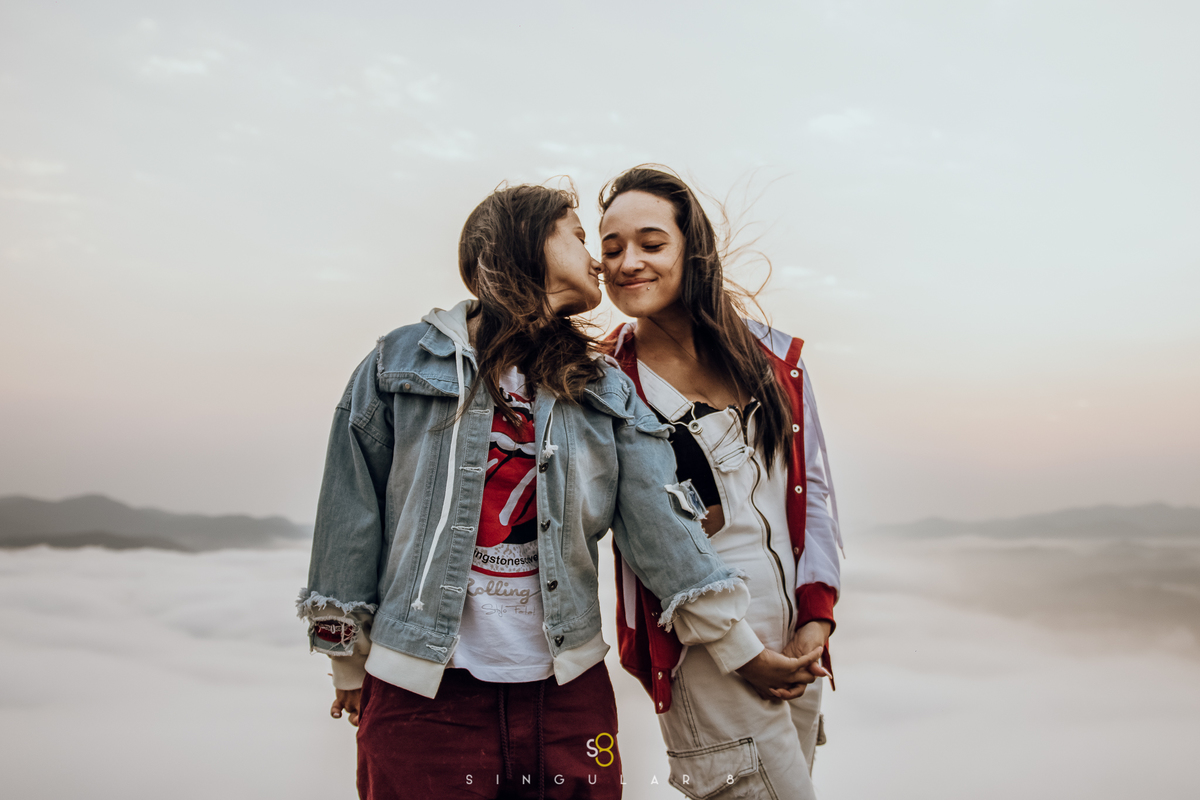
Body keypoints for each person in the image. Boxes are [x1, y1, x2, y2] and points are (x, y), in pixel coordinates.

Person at [297, 182, 820, 800]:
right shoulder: (401, 362)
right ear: (528, 242)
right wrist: (348, 661)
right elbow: (349, 514)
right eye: (579, 237)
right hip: (423, 696)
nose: (598, 259)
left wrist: (741, 650)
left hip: (569, 697)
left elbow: (661, 530)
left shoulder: (602, 385)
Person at [599, 167, 843, 800]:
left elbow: (812, 490)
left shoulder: (773, 360)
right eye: (612, 248)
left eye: (651, 243)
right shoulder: (607, 383)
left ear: (693, 251)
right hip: (705, 651)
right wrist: (743, 653)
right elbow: (652, 540)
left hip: (795, 643)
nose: (628, 263)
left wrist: (817, 616)